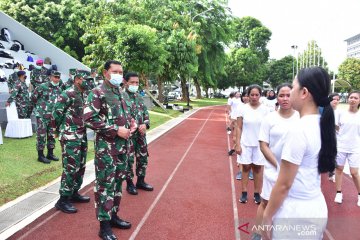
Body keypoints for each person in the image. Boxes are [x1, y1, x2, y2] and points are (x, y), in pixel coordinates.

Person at [262, 67, 336, 240]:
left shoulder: (298, 130)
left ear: (304, 92)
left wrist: (266, 216)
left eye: (293, 88)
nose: (290, 92)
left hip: (295, 213)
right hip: (315, 206)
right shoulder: (321, 124)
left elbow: (284, 185)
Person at [83, 60, 136, 240]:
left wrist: (132, 124)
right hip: (107, 150)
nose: (119, 75)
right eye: (115, 72)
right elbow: (89, 118)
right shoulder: (97, 93)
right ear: (106, 73)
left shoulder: (120, 92)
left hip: (123, 148)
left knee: (118, 183)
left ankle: (113, 216)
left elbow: (124, 115)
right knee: (105, 185)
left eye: (121, 72)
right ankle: (104, 226)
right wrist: (116, 130)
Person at [251, 83, 299, 240]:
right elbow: (263, 145)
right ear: (276, 97)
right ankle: (258, 233)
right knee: (265, 202)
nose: (285, 99)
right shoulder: (269, 119)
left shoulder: (300, 118)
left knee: (289, 204)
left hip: (294, 172)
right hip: (273, 170)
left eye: (288, 95)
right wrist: (278, 166)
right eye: (281, 95)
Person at [52, 73, 91, 214]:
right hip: (69, 136)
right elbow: (56, 113)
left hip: (81, 135)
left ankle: (74, 192)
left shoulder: (84, 94)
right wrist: (58, 131)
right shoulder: (67, 93)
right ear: (77, 80)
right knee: (70, 167)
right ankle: (62, 200)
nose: (87, 82)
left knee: (81, 165)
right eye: (84, 80)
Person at [235, 85, 269, 204]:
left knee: (258, 168)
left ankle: (257, 193)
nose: (254, 97)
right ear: (248, 95)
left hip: (260, 144)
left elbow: (268, 128)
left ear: (260, 95)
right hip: (245, 143)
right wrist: (237, 143)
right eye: (252, 95)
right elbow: (238, 127)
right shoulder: (242, 108)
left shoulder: (265, 109)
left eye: (257, 95)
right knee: (245, 167)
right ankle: (244, 192)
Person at [124, 72, 153, 195]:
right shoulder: (121, 97)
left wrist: (145, 124)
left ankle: (140, 181)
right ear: (125, 82)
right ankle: (130, 184)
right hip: (129, 135)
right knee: (129, 160)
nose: (135, 85)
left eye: (137, 83)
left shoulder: (139, 97)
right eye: (132, 82)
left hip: (141, 135)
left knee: (143, 157)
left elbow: (146, 114)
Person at [334, 91, 360, 206]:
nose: (352, 99)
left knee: (354, 173)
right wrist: (342, 136)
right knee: (339, 169)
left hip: (355, 147)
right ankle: (339, 193)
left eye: (355, 98)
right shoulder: (341, 113)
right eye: (351, 97)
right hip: (341, 146)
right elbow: (336, 126)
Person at [30, 71, 62, 164]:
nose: (56, 79)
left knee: (52, 135)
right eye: (55, 77)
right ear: (50, 77)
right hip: (42, 116)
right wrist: (40, 108)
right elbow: (33, 98)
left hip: (52, 116)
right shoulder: (42, 86)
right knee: (41, 135)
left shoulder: (59, 89)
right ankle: (40, 155)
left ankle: (50, 154)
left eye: (58, 77)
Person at [328, 92, 340, 182]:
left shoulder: (340, 113)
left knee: (333, 155)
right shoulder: (324, 110)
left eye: (338, 99)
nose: (336, 101)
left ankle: (331, 173)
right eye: (334, 99)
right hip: (323, 136)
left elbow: (340, 127)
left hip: (335, 137)